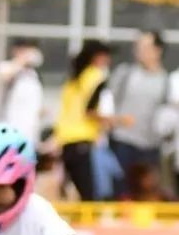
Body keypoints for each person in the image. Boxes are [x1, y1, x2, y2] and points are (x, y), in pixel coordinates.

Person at [55, 39, 131, 201]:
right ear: (97, 57)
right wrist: (120, 120)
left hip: (66, 142)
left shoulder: (73, 79)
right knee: (91, 195)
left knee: (76, 194)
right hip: (83, 141)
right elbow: (90, 111)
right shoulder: (96, 77)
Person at [110, 30, 170, 198]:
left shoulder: (165, 80)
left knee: (148, 195)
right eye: (138, 46)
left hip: (151, 146)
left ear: (158, 50)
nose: (140, 51)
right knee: (121, 192)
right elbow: (107, 103)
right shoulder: (125, 74)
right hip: (123, 142)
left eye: (145, 46)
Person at [0, 38, 45, 146]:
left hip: (30, 134)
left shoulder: (34, 75)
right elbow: (5, 76)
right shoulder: (6, 66)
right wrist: (23, 60)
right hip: (7, 131)